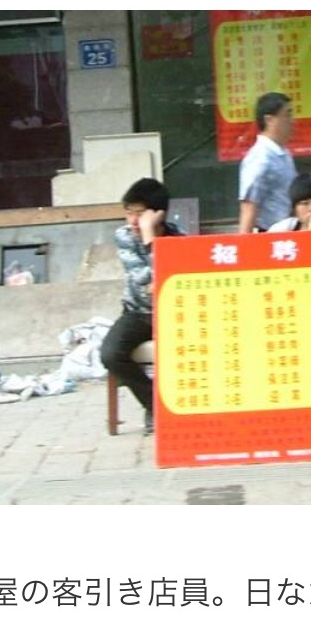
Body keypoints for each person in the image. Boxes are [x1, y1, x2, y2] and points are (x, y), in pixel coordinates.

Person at [101, 177, 185, 434]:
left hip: (173, 315)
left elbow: (167, 282)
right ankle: (155, 405)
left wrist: (150, 238)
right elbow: (142, 279)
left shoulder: (179, 238)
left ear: (159, 213)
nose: (134, 221)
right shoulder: (125, 236)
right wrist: (152, 249)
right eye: (129, 213)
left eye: (140, 214)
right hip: (137, 313)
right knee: (110, 354)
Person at [238, 92, 297, 233]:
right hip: (268, 235)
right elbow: (249, 206)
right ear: (269, 120)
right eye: (287, 114)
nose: (292, 121)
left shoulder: (282, 153)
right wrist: (244, 243)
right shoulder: (260, 158)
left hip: (288, 232)